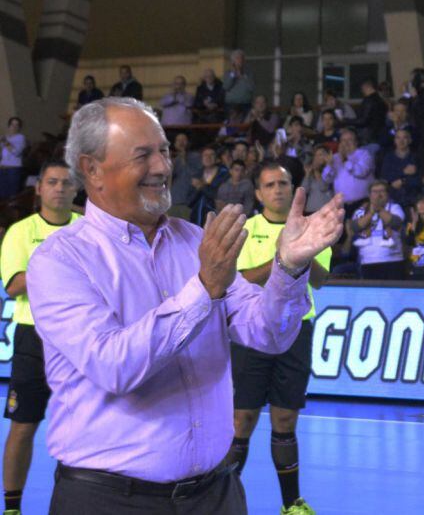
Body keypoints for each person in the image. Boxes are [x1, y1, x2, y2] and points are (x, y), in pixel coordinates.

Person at [25, 97, 344, 515]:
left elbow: (270, 333)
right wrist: (203, 287)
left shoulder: (195, 240)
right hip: (109, 502)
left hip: (216, 495)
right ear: (92, 170)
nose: (162, 167)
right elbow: (114, 365)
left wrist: (289, 267)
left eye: (164, 151)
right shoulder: (58, 261)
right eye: (144, 155)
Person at [226, 162, 332, 515]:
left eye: (284, 183)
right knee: (242, 420)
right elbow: (239, 279)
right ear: (258, 193)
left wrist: (303, 248)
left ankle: (292, 504)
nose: (278, 190)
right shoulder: (245, 229)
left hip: (296, 329)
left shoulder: (311, 227)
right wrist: (284, 258)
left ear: (293, 188)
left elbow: (320, 279)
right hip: (249, 331)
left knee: (285, 420)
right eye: (270, 184)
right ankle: (221, 500)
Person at [0, 161, 80, 515]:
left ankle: (77, 502)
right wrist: (60, 268)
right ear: (39, 189)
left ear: (75, 190)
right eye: (52, 182)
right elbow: (14, 285)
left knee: (84, 426)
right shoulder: (20, 231)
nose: (59, 188)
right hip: (34, 339)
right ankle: (13, 507)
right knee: (23, 427)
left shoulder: (89, 228)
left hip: (80, 337)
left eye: (66, 183)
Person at [349, 180, 406, 280]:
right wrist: (371, 213)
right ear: (370, 195)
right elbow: (355, 227)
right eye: (375, 192)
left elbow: (396, 223)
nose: (378, 195)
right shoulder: (361, 210)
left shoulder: (395, 207)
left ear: (387, 194)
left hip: (392, 261)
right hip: (368, 262)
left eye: (382, 191)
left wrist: (379, 209)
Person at [322, 127, 374, 216]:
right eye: (343, 140)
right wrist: (330, 166)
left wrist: (345, 159)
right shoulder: (335, 157)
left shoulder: (364, 154)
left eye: (349, 140)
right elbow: (327, 179)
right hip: (342, 205)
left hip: (362, 203)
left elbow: (361, 172)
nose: (346, 143)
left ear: (356, 142)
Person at [301, 145, 335, 215]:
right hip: (310, 212)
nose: (317, 158)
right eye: (316, 155)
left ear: (327, 157)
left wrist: (318, 172)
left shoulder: (331, 171)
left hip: (325, 212)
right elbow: (303, 191)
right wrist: (307, 174)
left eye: (321, 155)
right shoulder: (310, 175)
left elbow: (323, 187)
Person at [0, 118, 27, 201]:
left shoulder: (21, 138)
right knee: (2, 195)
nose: (14, 127)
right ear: (9, 126)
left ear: (19, 127)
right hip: (2, 168)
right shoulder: (5, 137)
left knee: (12, 195)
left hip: (13, 169)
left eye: (17, 125)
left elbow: (16, 152)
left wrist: (5, 142)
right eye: (12, 124)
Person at [224, 49, 255, 114]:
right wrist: (233, 74)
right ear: (233, 61)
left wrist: (243, 76)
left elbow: (252, 88)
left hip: (246, 104)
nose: (240, 60)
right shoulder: (228, 73)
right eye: (237, 58)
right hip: (232, 105)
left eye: (242, 58)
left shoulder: (249, 73)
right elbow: (226, 87)